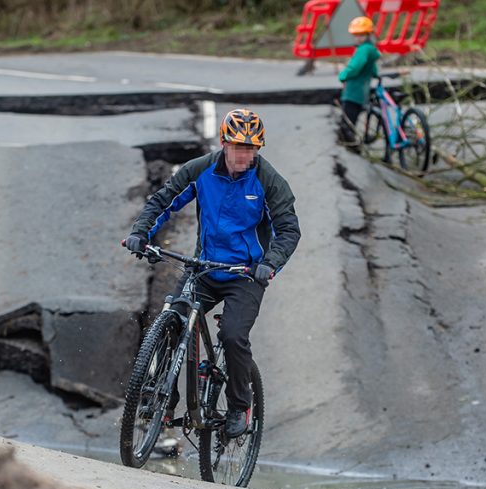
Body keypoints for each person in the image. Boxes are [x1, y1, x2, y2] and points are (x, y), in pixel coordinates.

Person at [124, 108, 300, 439]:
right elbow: (164, 200)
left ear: (258, 150)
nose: (243, 155)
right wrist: (142, 232)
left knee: (233, 336)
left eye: (250, 149)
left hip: (245, 274)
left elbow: (288, 230)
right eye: (237, 146)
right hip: (203, 268)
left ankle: (238, 406)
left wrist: (270, 263)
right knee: (173, 320)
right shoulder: (201, 169)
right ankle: (163, 398)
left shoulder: (268, 180)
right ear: (224, 143)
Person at [337, 16, 381, 146]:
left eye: (361, 34)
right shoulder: (371, 49)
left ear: (368, 34)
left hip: (353, 92)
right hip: (363, 92)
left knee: (348, 122)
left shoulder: (363, 50)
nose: (358, 37)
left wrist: (343, 75)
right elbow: (373, 69)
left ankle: (349, 145)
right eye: (356, 34)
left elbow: (355, 67)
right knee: (353, 119)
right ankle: (352, 143)